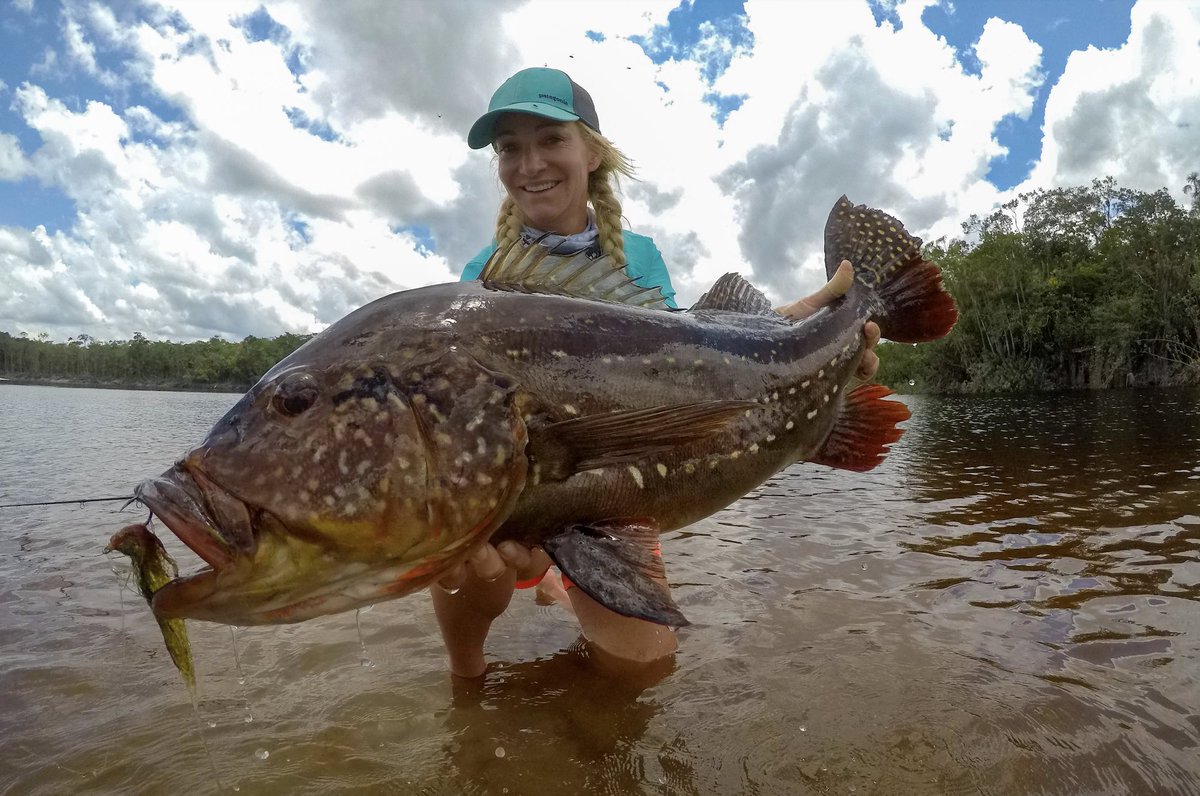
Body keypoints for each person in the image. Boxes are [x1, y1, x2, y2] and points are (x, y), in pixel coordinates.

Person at [433, 67, 881, 679]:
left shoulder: (640, 258)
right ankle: (467, 678)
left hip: (606, 490)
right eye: (510, 148)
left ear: (592, 151)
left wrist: (806, 330)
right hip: (516, 492)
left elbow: (687, 362)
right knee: (460, 562)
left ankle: (565, 584)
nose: (530, 163)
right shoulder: (478, 277)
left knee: (643, 669)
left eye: (550, 139)